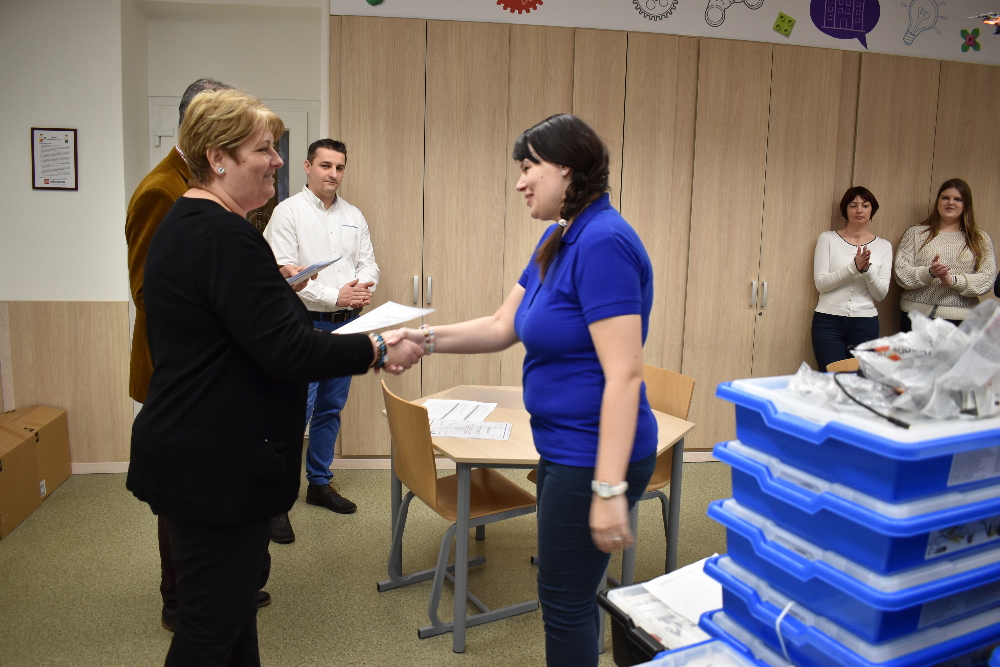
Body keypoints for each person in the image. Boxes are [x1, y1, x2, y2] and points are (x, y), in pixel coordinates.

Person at [126, 88, 423, 667]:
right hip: (214, 461)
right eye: (264, 149)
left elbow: (225, 323)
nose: (278, 160)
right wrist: (378, 346)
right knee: (210, 629)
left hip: (199, 449)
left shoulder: (191, 221)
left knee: (233, 615)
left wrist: (274, 291)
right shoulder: (224, 234)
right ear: (218, 157)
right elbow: (289, 350)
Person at [386, 114, 657, 667]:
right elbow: (501, 325)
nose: (520, 182)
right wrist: (424, 339)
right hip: (562, 446)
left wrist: (608, 489)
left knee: (565, 603)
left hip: (594, 453)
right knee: (566, 596)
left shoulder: (604, 242)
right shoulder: (559, 236)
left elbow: (624, 375)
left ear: (568, 169)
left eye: (529, 167)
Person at [125, 77, 280, 632]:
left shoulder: (208, 191)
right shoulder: (162, 190)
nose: (273, 160)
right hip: (182, 373)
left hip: (217, 379)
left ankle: (216, 591)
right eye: (260, 145)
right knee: (186, 500)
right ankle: (180, 598)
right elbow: (151, 292)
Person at [262, 139, 379, 542]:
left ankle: (319, 483)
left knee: (331, 408)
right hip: (304, 326)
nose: (333, 173)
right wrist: (334, 296)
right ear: (308, 166)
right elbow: (285, 274)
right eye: (325, 165)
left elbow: (368, 263)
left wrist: (361, 288)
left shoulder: (353, 215)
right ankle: (276, 502)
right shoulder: (287, 212)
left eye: (339, 167)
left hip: (346, 326)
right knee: (295, 414)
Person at [894, 178, 996, 331]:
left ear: (966, 204)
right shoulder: (915, 233)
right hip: (916, 319)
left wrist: (952, 280)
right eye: (945, 198)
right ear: (938, 201)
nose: (950, 203)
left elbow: (986, 280)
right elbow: (901, 273)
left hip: (961, 323)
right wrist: (929, 273)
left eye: (958, 199)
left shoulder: (980, 238)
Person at [811, 186, 892, 371]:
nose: (859, 210)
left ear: (872, 210)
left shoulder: (884, 246)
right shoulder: (827, 239)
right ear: (845, 210)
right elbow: (821, 284)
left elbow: (880, 294)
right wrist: (852, 268)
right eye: (853, 205)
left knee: (859, 381)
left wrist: (867, 270)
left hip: (865, 323)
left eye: (865, 205)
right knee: (833, 378)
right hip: (828, 321)